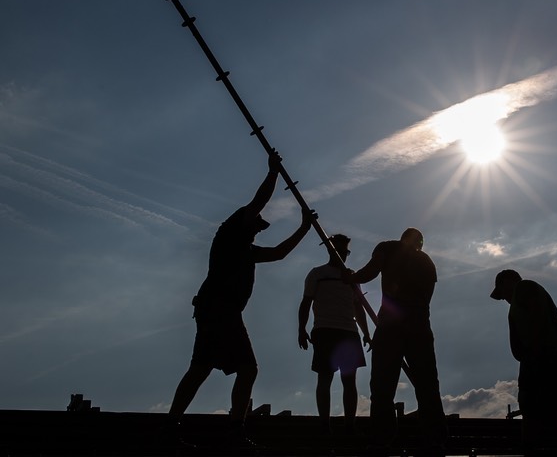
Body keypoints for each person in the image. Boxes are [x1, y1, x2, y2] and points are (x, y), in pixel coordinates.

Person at [166, 151, 314, 446]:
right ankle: (233, 428)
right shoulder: (230, 234)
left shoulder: (247, 251)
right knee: (245, 368)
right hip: (220, 310)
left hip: (218, 310)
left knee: (201, 368)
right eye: (257, 226)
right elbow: (259, 201)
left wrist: (304, 228)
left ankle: (173, 426)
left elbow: (279, 253)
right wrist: (273, 173)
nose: (257, 231)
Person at [342, 227, 447, 453]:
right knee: (427, 385)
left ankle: (382, 439)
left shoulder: (387, 248)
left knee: (383, 384)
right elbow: (427, 298)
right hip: (419, 324)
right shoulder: (426, 261)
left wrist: (351, 278)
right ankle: (434, 438)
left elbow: (370, 272)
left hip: (392, 326)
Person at [490, 269, 557, 453]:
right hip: (539, 359)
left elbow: (537, 324)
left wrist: (537, 356)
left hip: (542, 360)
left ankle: (550, 447)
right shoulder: (521, 297)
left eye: (502, 291)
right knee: (542, 406)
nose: (504, 298)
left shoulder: (524, 288)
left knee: (542, 405)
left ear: (508, 282)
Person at [298, 233, 371, 435]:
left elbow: (359, 308)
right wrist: (301, 329)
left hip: (349, 331)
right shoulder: (317, 274)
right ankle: (325, 425)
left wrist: (366, 333)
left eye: (345, 251)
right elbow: (306, 303)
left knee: (349, 381)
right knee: (325, 378)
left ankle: (350, 426)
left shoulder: (352, 277)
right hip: (325, 330)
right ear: (331, 251)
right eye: (339, 250)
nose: (343, 254)